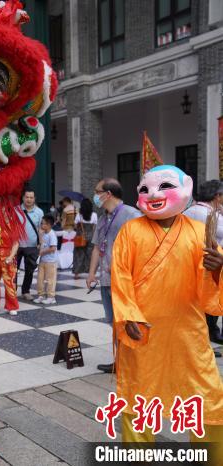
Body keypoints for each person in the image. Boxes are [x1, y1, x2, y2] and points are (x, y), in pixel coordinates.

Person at [111, 166, 223, 462]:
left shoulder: (200, 232)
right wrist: (128, 315)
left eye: (163, 187)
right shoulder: (131, 231)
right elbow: (120, 276)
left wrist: (218, 269)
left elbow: (212, 298)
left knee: (207, 398)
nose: (154, 195)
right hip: (143, 331)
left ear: (186, 187)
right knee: (139, 397)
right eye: (145, 190)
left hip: (189, 332)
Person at [87, 178, 141, 374]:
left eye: (97, 191)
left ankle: (133, 363)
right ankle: (119, 361)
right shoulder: (102, 219)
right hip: (106, 280)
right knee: (114, 322)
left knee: (128, 322)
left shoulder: (132, 215)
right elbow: (96, 248)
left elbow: (142, 248)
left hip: (125, 282)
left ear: (107, 194)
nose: (95, 195)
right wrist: (92, 273)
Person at [184, 180, 223, 346]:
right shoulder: (211, 215)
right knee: (209, 305)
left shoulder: (189, 210)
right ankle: (206, 343)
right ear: (217, 196)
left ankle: (204, 339)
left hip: (191, 264)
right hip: (211, 265)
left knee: (197, 307)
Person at [15, 189, 43, 300]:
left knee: (29, 270)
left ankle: (26, 291)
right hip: (16, 245)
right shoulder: (16, 210)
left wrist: (41, 243)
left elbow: (41, 229)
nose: (29, 200)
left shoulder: (39, 212)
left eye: (31, 197)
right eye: (27, 197)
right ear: (23, 198)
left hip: (32, 245)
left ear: (34, 199)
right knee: (13, 270)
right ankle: (12, 290)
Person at [33, 215, 58, 305]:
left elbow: (53, 248)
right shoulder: (43, 234)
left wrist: (42, 252)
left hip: (50, 261)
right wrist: (40, 247)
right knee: (40, 278)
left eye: (43, 224)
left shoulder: (52, 234)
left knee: (50, 279)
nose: (41, 225)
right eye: (41, 223)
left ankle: (51, 297)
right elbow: (42, 244)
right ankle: (41, 295)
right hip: (42, 260)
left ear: (49, 225)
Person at [72, 199, 98, 279]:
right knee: (90, 255)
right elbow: (94, 227)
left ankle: (76, 273)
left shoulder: (79, 215)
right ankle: (91, 273)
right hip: (91, 237)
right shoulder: (94, 214)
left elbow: (75, 226)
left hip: (80, 237)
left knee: (78, 254)